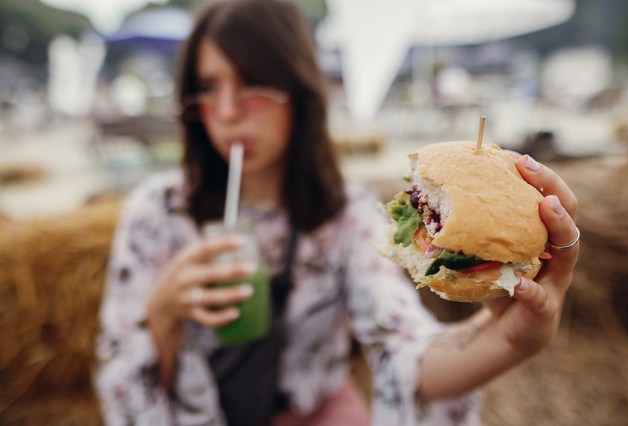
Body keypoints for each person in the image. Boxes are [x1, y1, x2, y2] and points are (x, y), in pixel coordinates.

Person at [94, 0, 580, 425]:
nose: (226, 110)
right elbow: (119, 375)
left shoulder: (345, 214)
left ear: (299, 92)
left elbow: (405, 351)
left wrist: (513, 341)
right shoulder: (156, 213)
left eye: (253, 85)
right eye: (208, 87)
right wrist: (161, 313)